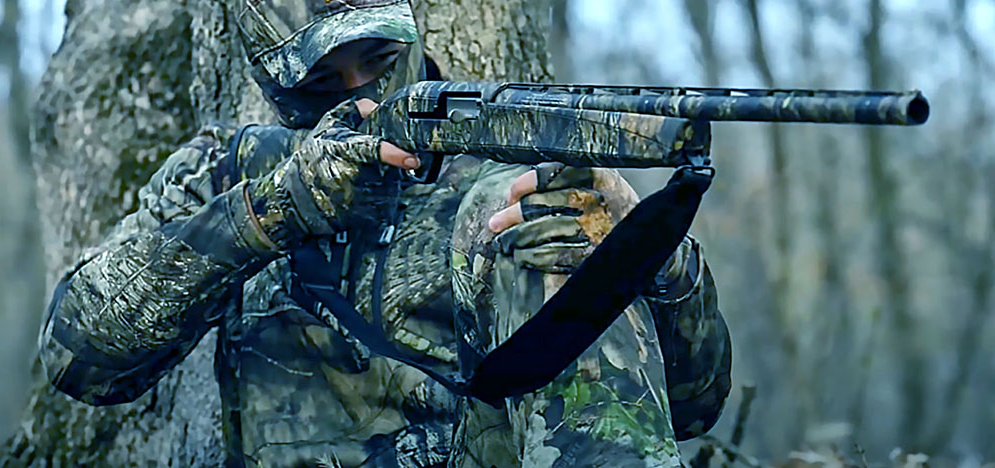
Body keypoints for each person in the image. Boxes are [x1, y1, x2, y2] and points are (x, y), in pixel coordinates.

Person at [37, 1, 731, 466]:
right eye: (321, 85)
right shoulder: (229, 173)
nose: (360, 95)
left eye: (375, 61)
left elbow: (691, 408)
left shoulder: (515, 177)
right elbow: (78, 358)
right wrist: (272, 212)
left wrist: (652, 257)